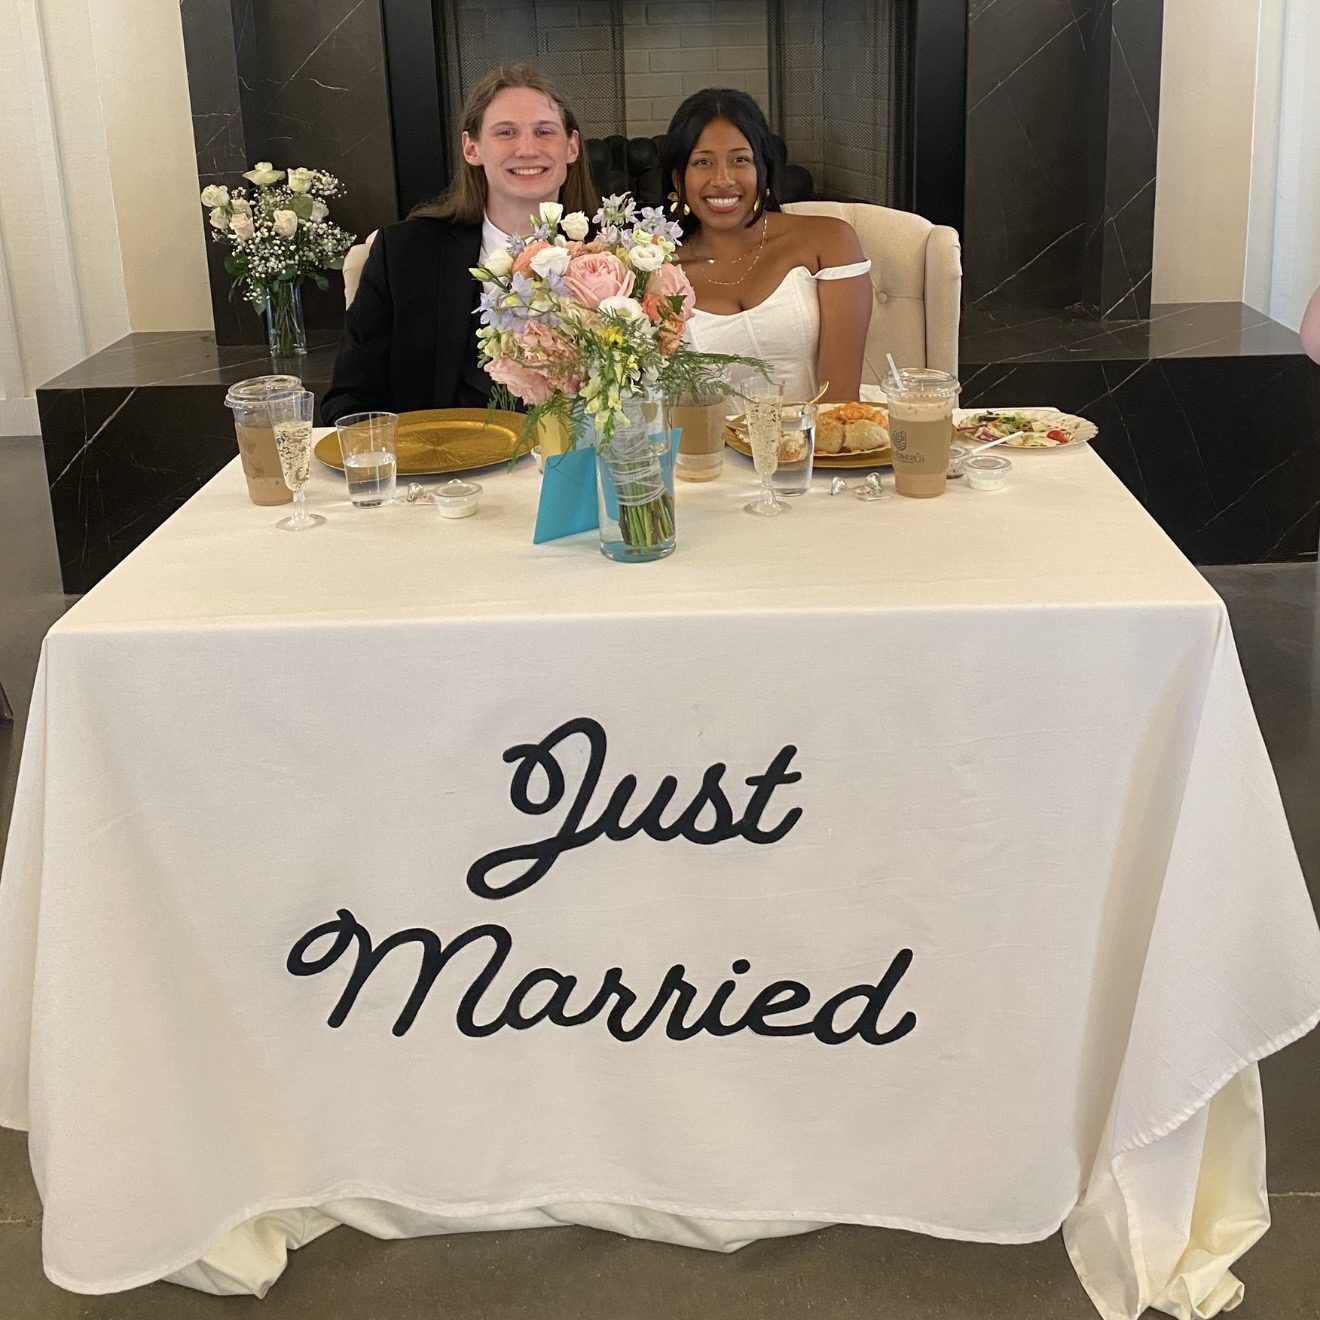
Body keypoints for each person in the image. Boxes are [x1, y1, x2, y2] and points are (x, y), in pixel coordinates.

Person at [322, 65, 598, 423]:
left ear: (572, 147)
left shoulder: (613, 258)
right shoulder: (405, 254)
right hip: (435, 470)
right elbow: (348, 403)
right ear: (472, 148)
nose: (528, 149)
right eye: (506, 133)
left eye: (544, 132)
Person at [660, 88, 871, 403]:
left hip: (819, 446)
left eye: (740, 160)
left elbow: (839, 402)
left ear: (764, 169)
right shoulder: (657, 275)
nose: (722, 179)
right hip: (706, 450)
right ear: (679, 180)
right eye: (703, 162)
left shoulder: (829, 242)